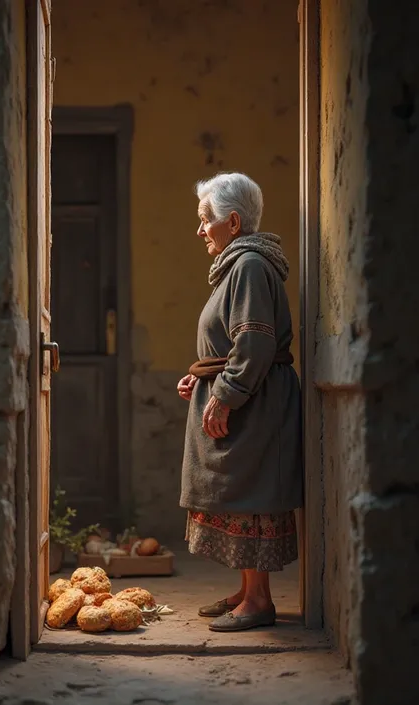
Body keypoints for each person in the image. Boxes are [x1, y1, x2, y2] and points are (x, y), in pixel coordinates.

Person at [177, 172, 303, 632]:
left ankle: (260, 600)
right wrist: (203, 379)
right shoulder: (238, 266)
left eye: (205, 219)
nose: (200, 229)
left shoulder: (249, 265)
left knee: (252, 495)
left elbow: (253, 342)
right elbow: (230, 346)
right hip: (250, 397)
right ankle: (247, 591)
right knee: (240, 494)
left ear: (232, 222)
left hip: (257, 405)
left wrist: (226, 395)